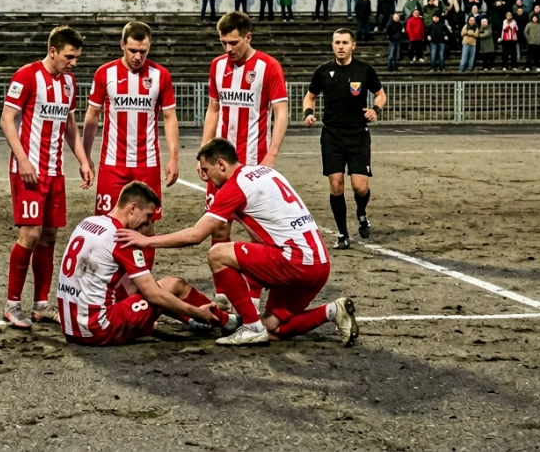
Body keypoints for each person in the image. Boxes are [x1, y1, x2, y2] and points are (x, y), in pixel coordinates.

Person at [117, 139, 359, 347]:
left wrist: (146, 241)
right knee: (272, 329)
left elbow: (196, 235)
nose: (206, 178)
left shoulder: (235, 187)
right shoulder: (267, 172)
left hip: (295, 262)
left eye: (206, 170)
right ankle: (333, 311)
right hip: (319, 264)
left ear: (221, 164)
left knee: (217, 254)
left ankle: (251, 327)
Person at [1, 26, 95, 329]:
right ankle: (12, 305)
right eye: (70, 56)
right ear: (52, 51)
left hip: (55, 172)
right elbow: (6, 120)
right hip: (29, 171)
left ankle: (41, 304)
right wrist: (23, 160)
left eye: (77, 57)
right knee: (30, 234)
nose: (73, 63)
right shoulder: (27, 76)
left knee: (51, 236)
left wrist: (82, 159)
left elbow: (69, 125)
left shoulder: (69, 83)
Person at [57, 182, 230, 346]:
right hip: (97, 330)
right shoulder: (122, 238)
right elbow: (154, 295)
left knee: (137, 285)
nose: (148, 222)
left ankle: (193, 320)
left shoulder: (88, 222)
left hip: (70, 327)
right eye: (148, 215)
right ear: (132, 208)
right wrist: (196, 312)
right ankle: (226, 321)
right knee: (172, 285)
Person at [203, 10, 289, 311]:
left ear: (248, 37)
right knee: (218, 227)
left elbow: (280, 112)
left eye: (234, 43)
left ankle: (256, 287)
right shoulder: (217, 66)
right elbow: (213, 110)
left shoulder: (268, 67)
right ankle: (224, 291)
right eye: (223, 43)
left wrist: (272, 154)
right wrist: (205, 155)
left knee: (258, 230)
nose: (228, 49)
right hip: (221, 166)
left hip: (253, 166)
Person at [82, 21, 179, 227]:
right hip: (112, 163)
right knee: (107, 223)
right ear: (122, 45)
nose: (137, 57)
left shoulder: (161, 75)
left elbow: (169, 117)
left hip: (147, 164)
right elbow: (92, 116)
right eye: (133, 50)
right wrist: (86, 157)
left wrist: (173, 158)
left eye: (143, 51)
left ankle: (141, 261)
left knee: (146, 224)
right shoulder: (104, 74)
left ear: (149, 47)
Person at [303, 29, 386, 250]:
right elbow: (310, 96)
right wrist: (308, 113)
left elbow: (381, 94)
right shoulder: (323, 71)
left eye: (345, 42)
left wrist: (375, 110)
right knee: (336, 183)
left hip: (358, 133)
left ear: (353, 45)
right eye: (337, 42)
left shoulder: (364, 70)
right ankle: (342, 234)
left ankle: (361, 212)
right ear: (332, 45)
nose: (341, 46)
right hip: (332, 135)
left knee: (359, 187)